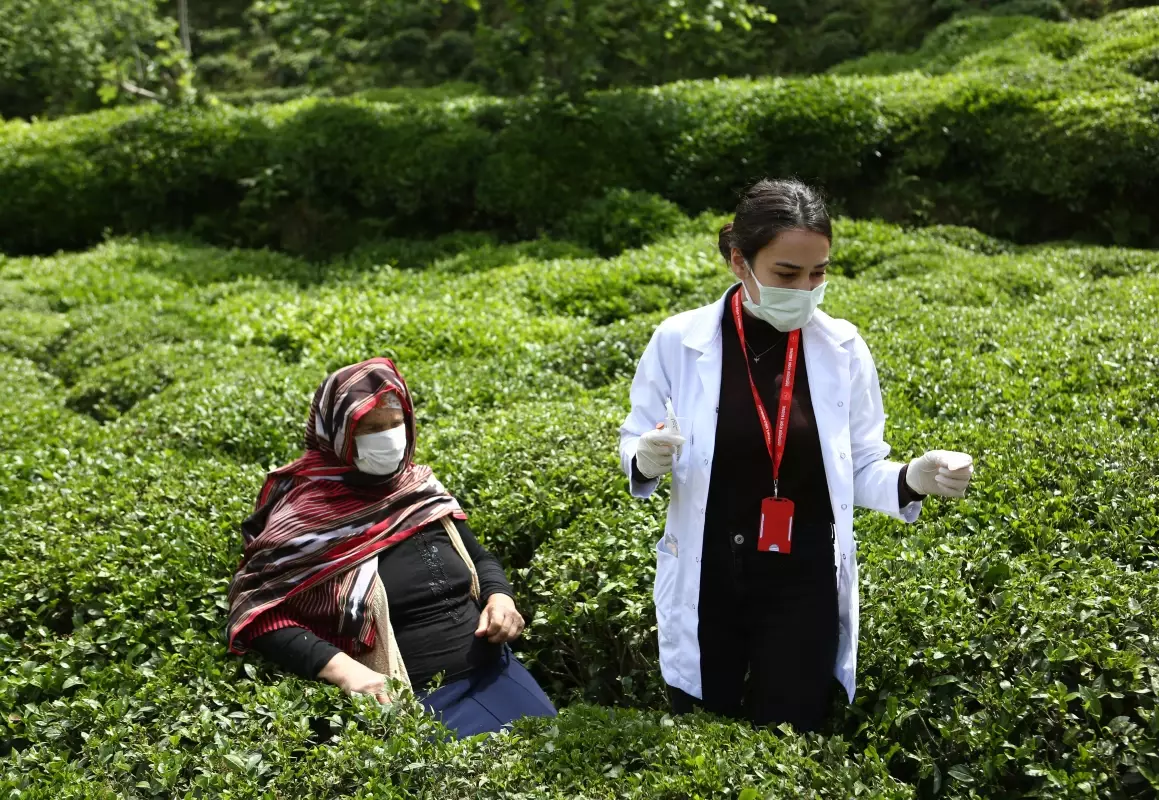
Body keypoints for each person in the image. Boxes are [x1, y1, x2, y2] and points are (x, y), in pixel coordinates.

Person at [619, 179, 975, 731]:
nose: (805, 289)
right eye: (787, 274)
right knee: (699, 730)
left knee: (793, 734)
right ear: (740, 261)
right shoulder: (678, 340)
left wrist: (912, 478)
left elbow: (857, 467)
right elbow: (634, 439)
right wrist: (644, 457)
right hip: (709, 568)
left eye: (819, 273)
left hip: (803, 576)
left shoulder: (844, 348)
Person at [226, 357, 556, 738]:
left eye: (395, 423)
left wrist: (500, 597)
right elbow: (258, 611)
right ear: (337, 434)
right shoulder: (305, 514)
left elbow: (479, 559)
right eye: (370, 428)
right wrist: (343, 670)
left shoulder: (419, 489)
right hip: (412, 696)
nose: (388, 437)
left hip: (498, 673)